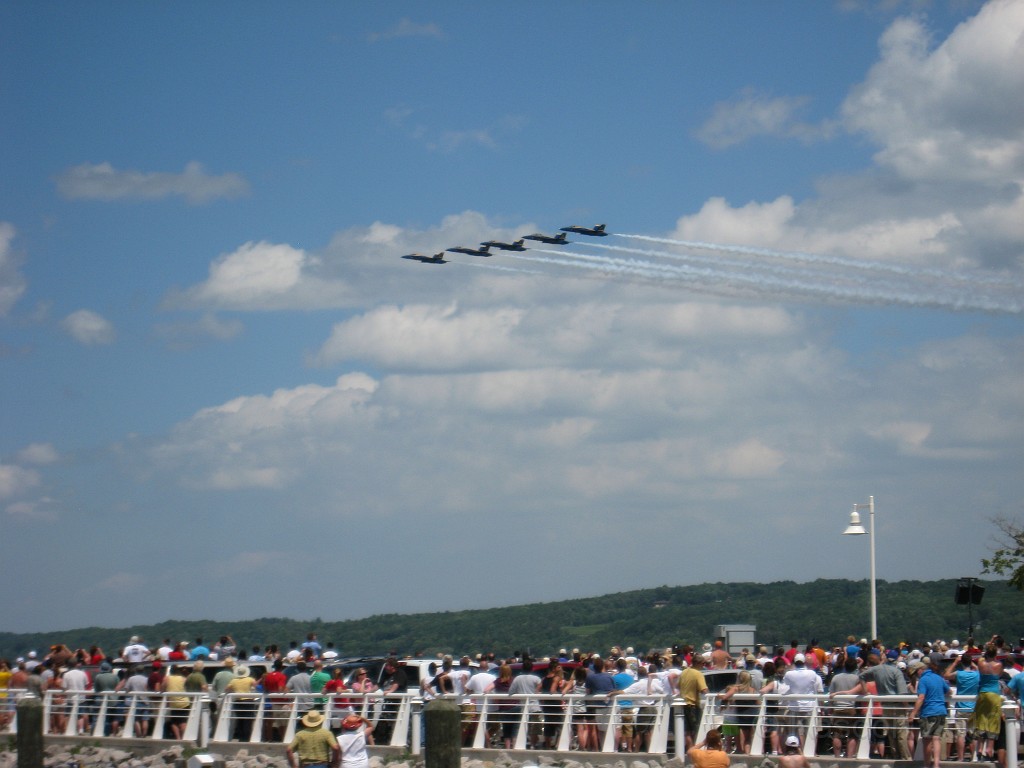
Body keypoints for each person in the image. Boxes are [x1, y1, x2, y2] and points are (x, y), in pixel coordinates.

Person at [909, 658, 950, 768]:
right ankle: (936, 764)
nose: (916, 676)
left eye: (916, 673)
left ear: (919, 670)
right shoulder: (939, 678)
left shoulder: (923, 680)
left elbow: (921, 697)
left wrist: (913, 713)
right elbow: (949, 691)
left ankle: (927, 765)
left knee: (927, 740)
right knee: (936, 739)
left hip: (928, 712)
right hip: (941, 711)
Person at [781, 653, 823, 747]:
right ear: (804, 662)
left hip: (794, 706)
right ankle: (810, 751)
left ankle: (800, 750)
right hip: (810, 706)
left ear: (794, 662)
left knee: (796, 732)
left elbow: (785, 685)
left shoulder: (789, 674)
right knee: (811, 730)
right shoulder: (812, 673)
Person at [944, 650, 980, 760]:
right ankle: (974, 757)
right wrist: (973, 663)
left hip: (961, 707)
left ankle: (960, 758)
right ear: (970, 662)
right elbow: (978, 670)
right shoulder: (976, 674)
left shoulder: (959, 674)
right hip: (973, 707)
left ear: (961, 662)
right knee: (973, 735)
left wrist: (955, 662)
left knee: (961, 734)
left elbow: (946, 675)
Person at [974, 643, 1003, 762]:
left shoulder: (981, 663)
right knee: (993, 721)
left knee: (981, 720)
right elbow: (999, 676)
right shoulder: (998, 664)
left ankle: (980, 748)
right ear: (995, 654)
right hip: (994, 693)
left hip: (982, 693)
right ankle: (989, 749)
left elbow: (980, 658)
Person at [827, 655, 860, 758]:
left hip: (838, 708)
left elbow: (831, 694)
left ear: (844, 666)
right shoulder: (857, 678)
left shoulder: (836, 677)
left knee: (836, 734)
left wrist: (831, 708)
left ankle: (837, 756)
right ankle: (849, 757)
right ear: (855, 667)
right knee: (852, 735)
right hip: (851, 709)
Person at [718, 671, 758, 754]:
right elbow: (758, 703)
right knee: (749, 739)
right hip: (752, 716)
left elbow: (725, 697)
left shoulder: (736, 688)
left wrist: (718, 696)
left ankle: (742, 753)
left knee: (742, 738)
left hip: (741, 716)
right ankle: (747, 754)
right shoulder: (752, 690)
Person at [678, 654, 709, 750]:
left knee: (687, 731)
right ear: (699, 663)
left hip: (683, 704)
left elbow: (677, 686)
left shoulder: (684, 672)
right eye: (703, 663)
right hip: (692, 705)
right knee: (696, 730)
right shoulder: (698, 674)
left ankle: (690, 750)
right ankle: (694, 750)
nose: (704, 665)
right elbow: (704, 690)